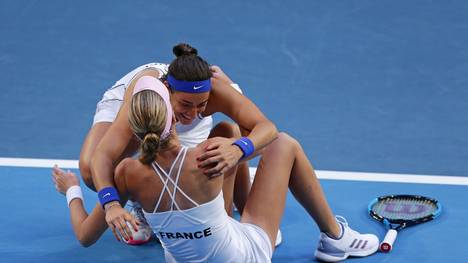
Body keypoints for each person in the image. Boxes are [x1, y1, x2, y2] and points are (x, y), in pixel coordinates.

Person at [53, 76, 379, 262]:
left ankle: (148, 221)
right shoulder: (208, 157)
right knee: (284, 144)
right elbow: (266, 134)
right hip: (244, 257)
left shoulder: (125, 174)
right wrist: (238, 148)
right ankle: (334, 238)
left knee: (225, 138)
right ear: (174, 118)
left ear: (133, 130)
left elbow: (84, 237)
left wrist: (72, 190)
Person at [79, 43, 277, 244]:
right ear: (167, 91)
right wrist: (111, 204)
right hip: (131, 105)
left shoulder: (214, 92)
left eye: (202, 105)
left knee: (240, 136)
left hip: (179, 121)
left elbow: (267, 129)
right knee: (90, 172)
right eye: (186, 104)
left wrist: (237, 149)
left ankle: (243, 210)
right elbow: (103, 155)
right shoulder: (144, 98)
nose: (192, 114)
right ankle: (139, 202)